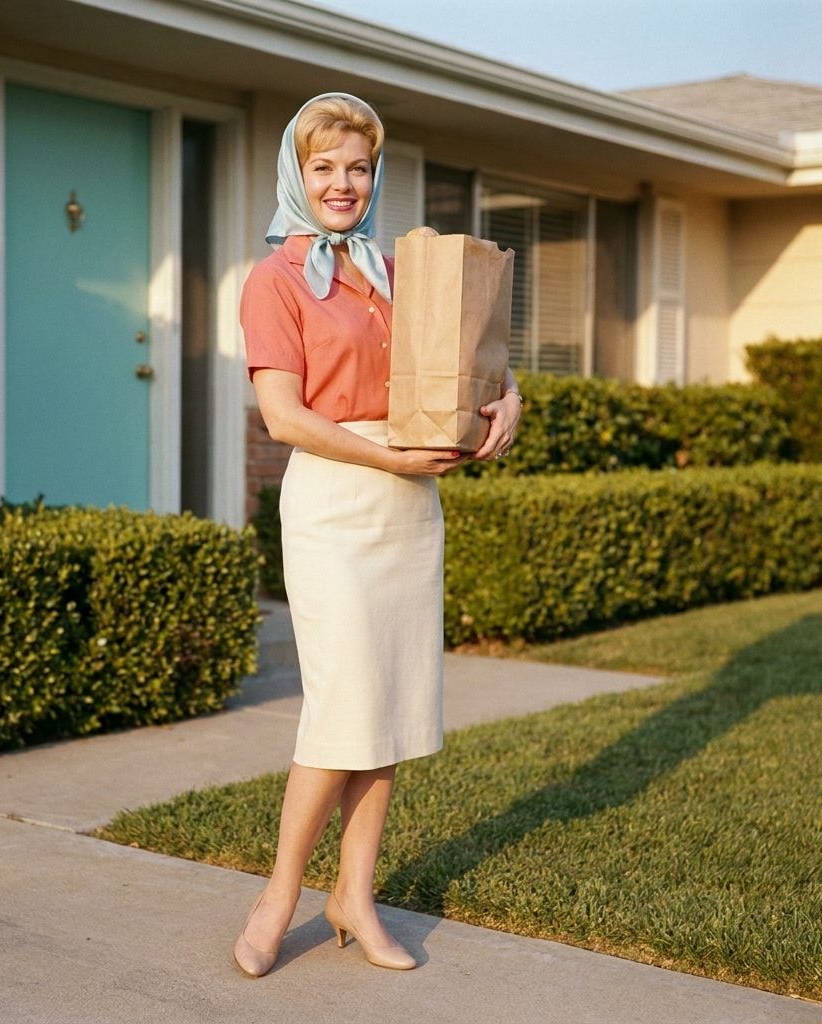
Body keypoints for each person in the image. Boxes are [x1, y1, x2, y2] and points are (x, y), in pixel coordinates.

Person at [235, 92, 523, 978]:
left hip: (409, 512)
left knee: (388, 710)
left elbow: (474, 358)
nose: (342, 183)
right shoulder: (275, 279)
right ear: (297, 172)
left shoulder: (399, 273)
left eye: (358, 167)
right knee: (342, 710)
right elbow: (282, 418)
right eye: (324, 166)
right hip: (334, 505)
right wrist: (390, 460)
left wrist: (506, 399)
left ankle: (352, 895)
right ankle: (280, 894)